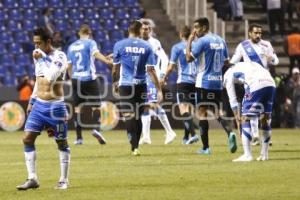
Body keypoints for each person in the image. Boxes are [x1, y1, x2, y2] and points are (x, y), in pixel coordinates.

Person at [17, 28, 70, 190]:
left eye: (39, 43)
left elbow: (50, 77)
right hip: (39, 105)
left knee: (61, 142)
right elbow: (39, 80)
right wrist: (32, 101)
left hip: (56, 108)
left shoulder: (60, 56)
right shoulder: (38, 56)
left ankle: (63, 180)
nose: (36, 47)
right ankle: (32, 178)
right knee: (27, 139)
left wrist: (42, 58)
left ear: (49, 42)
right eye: (34, 43)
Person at [186, 17, 237, 155]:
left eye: (196, 28)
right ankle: (230, 132)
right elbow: (226, 61)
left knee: (202, 114)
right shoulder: (221, 40)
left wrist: (190, 40)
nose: (195, 31)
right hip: (217, 82)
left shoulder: (202, 41)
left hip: (203, 81)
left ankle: (206, 148)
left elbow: (188, 58)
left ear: (203, 27)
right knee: (217, 112)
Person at [112, 20, 163, 155]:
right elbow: (151, 70)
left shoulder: (119, 44)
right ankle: (135, 147)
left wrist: (114, 82)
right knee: (138, 116)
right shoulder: (147, 46)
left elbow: (115, 68)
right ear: (140, 30)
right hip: (141, 85)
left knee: (128, 115)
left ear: (129, 29)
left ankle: (132, 142)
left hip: (126, 85)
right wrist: (158, 89)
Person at [230, 23, 279, 145]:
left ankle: (267, 137)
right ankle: (256, 137)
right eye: (256, 33)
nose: (258, 35)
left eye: (260, 33)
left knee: (266, 112)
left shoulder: (266, 44)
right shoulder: (243, 46)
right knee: (252, 110)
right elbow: (233, 61)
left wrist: (271, 59)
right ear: (250, 33)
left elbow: (276, 60)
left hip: (265, 79)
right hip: (251, 80)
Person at [67, 24, 112, 145]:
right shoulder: (90, 43)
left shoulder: (71, 47)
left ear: (79, 34)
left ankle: (79, 138)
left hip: (76, 79)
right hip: (89, 78)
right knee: (96, 106)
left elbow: (69, 66)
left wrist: (72, 79)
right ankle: (95, 129)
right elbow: (96, 54)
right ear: (89, 33)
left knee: (78, 109)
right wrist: (107, 61)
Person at [223, 62, 276, 162]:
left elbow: (232, 98)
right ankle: (264, 155)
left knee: (245, 119)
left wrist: (237, 120)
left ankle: (247, 155)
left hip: (256, 84)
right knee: (265, 119)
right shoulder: (246, 64)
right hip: (271, 83)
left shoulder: (228, 74)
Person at [138, 18, 176, 145]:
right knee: (145, 106)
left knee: (152, 104)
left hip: (152, 77)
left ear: (150, 30)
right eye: (143, 28)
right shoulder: (136, 42)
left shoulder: (154, 43)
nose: (145, 31)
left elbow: (164, 59)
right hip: (142, 77)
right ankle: (147, 137)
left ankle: (170, 132)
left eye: (147, 29)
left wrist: (162, 75)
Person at [161, 26, 199, 145]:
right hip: (197, 81)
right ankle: (186, 137)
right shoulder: (198, 46)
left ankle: (193, 135)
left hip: (183, 81)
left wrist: (164, 77)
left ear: (181, 34)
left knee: (183, 110)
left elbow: (171, 66)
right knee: (189, 110)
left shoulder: (177, 47)